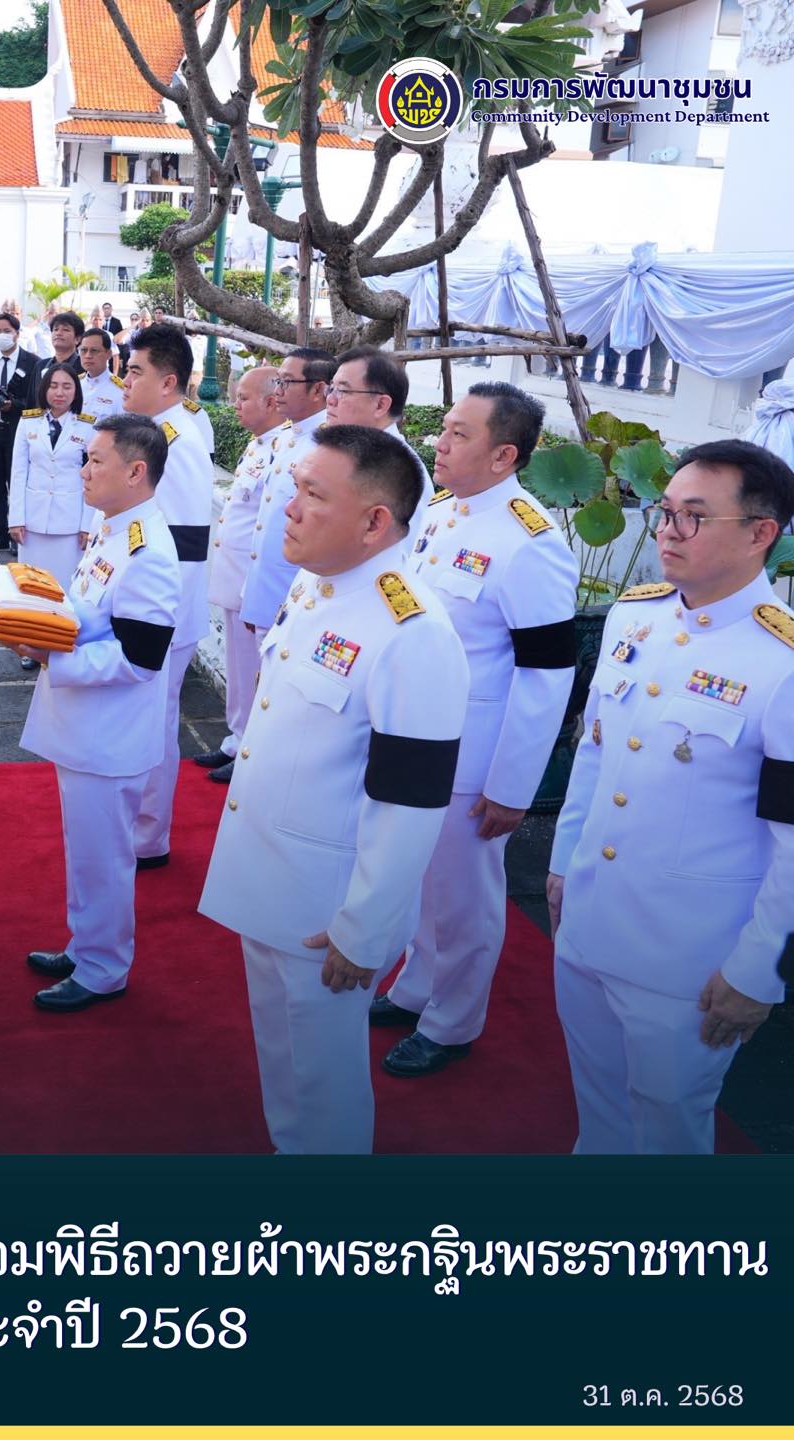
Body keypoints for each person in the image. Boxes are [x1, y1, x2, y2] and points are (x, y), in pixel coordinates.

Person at [199, 426, 469, 1153]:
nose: (289, 507)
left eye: (313, 494)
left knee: (324, 1076)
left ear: (375, 521)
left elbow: (410, 802)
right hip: (272, 876)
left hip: (328, 901)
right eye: (295, 488)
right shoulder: (319, 585)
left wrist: (365, 922)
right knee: (283, 1055)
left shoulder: (412, 631)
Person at [548, 439, 794, 1154]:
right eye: (664, 511)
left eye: (693, 516)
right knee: (596, 1109)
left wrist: (759, 971)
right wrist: (564, 863)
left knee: (667, 1129)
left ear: (760, 533)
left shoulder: (779, 664)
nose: (666, 530)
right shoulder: (637, 616)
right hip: (591, 921)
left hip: (690, 956)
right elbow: (594, 751)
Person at [376, 382, 579, 1076]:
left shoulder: (530, 542)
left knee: (464, 893)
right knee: (423, 880)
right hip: (417, 735)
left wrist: (513, 783)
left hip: (473, 753)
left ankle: (453, 1020)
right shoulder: (443, 512)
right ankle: (417, 985)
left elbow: (547, 673)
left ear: (505, 454)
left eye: (459, 434)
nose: (439, 440)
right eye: (445, 428)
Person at [16, 415, 183, 1013]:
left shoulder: (149, 551)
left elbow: (140, 659)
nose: (83, 470)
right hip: (89, 727)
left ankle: (104, 968)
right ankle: (88, 944)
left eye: (95, 462)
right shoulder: (115, 529)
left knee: (103, 857)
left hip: (109, 736)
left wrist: (51, 657)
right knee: (87, 850)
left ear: (136, 472)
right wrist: (39, 614)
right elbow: (96, 614)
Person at [119, 322, 214, 869]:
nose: (125, 379)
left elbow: (184, 541)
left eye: (135, 371)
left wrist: (152, 616)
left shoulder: (177, 442)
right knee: (145, 717)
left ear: (169, 380)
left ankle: (149, 835)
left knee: (154, 720)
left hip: (165, 611)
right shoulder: (155, 432)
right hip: (150, 606)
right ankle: (142, 827)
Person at [229, 347, 335, 689]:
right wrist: (251, 593)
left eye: (287, 382)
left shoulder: (329, 445)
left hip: (295, 595)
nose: (278, 391)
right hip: (267, 590)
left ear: (318, 390)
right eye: (277, 382)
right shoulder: (287, 438)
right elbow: (265, 523)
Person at [202, 367, 282, 784]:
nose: (235, 405)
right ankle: (236, 737)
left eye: (243, 398)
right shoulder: (257, 446)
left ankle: (250, 747)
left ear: (272, 401)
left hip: (257, 581)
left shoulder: (286, 450)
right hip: (235, 575)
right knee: (238, 664)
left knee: (254, 669)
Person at [324, 345, 434, 542]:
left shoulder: (403, 474)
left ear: (381, 405)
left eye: (342, 390)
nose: (330, 399)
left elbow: (405, 553)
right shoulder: (344, 452)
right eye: (331, 388)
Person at [10, 363, 95, 594]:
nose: (60, 393)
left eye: (67, 386)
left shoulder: (88, 426)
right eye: (54, 386)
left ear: (76, 391)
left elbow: (93, 479)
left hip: (70, 522)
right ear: (44, 389)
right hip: (32, 520)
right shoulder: (28, 422)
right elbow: (18, 472)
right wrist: (15, 518)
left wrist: (87, 525)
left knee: (65, 588)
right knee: (31, 586)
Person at [0, 311, 41, 553]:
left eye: (6, 331)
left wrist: (14, 406)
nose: (1, 336)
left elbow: (35, 401)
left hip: (17, 433)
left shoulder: (32, 362)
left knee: (17, 486)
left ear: (17, 334)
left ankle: (17, 534)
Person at [76, 328, 124, 417]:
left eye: (94, 350)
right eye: (83, 350)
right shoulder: (75, 384)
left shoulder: (120, 391)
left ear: (109, 354)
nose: (88, 356)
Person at [39, 310, 85, 379]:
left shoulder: (84, 367)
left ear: (77, 339)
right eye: (56, 329)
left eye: (65, 330)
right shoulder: (41, 366)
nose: (58, 333)